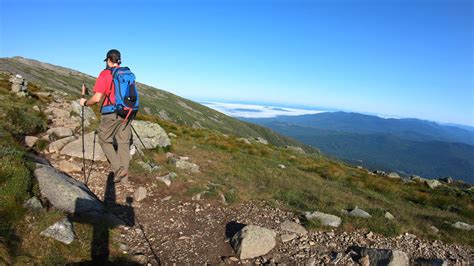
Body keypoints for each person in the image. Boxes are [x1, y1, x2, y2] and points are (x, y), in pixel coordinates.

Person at [80, 49, 131, 184]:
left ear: (108, 60)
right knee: (124, 143)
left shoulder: (105, 74)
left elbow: (97, 99)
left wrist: (85, 102)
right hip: (127, 113)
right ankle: (125, 181)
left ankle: (119, 171)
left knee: (104, 140)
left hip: (111, 113)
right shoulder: (126, 73)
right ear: (119, 60)